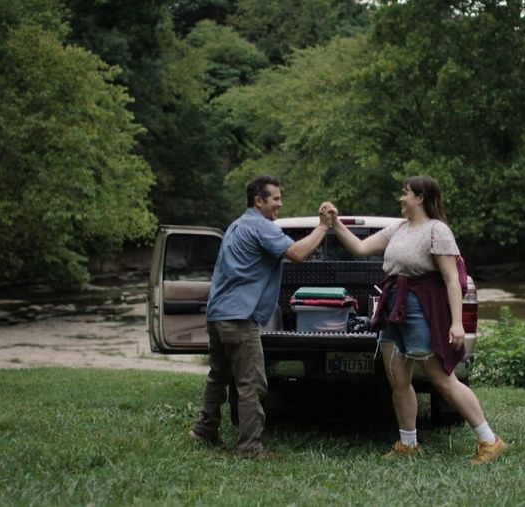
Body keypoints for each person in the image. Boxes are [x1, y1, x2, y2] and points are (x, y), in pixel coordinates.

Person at [327, 175, 507, 465]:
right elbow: (360, 248)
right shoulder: (398, 229)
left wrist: (457, 323)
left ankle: (489, 440)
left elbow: (451, 279)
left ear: (420, 197)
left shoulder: (438, 231)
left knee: (441, 378)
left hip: (420, 308)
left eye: (405, 193)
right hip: (393, 305)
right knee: (397, 377)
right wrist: (335, 224)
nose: (401, 198)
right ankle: (408, 443)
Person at [190, 175, 334, 459]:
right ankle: (250, 448)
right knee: (251, 384)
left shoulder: (236, 225)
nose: (280, 204)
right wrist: (323, 227)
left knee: (218, 376)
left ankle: (204, 431)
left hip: (217, 314)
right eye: (276, 199)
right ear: (259, 200)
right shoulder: (259, 226)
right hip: (239, 318)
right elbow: (297, 253)